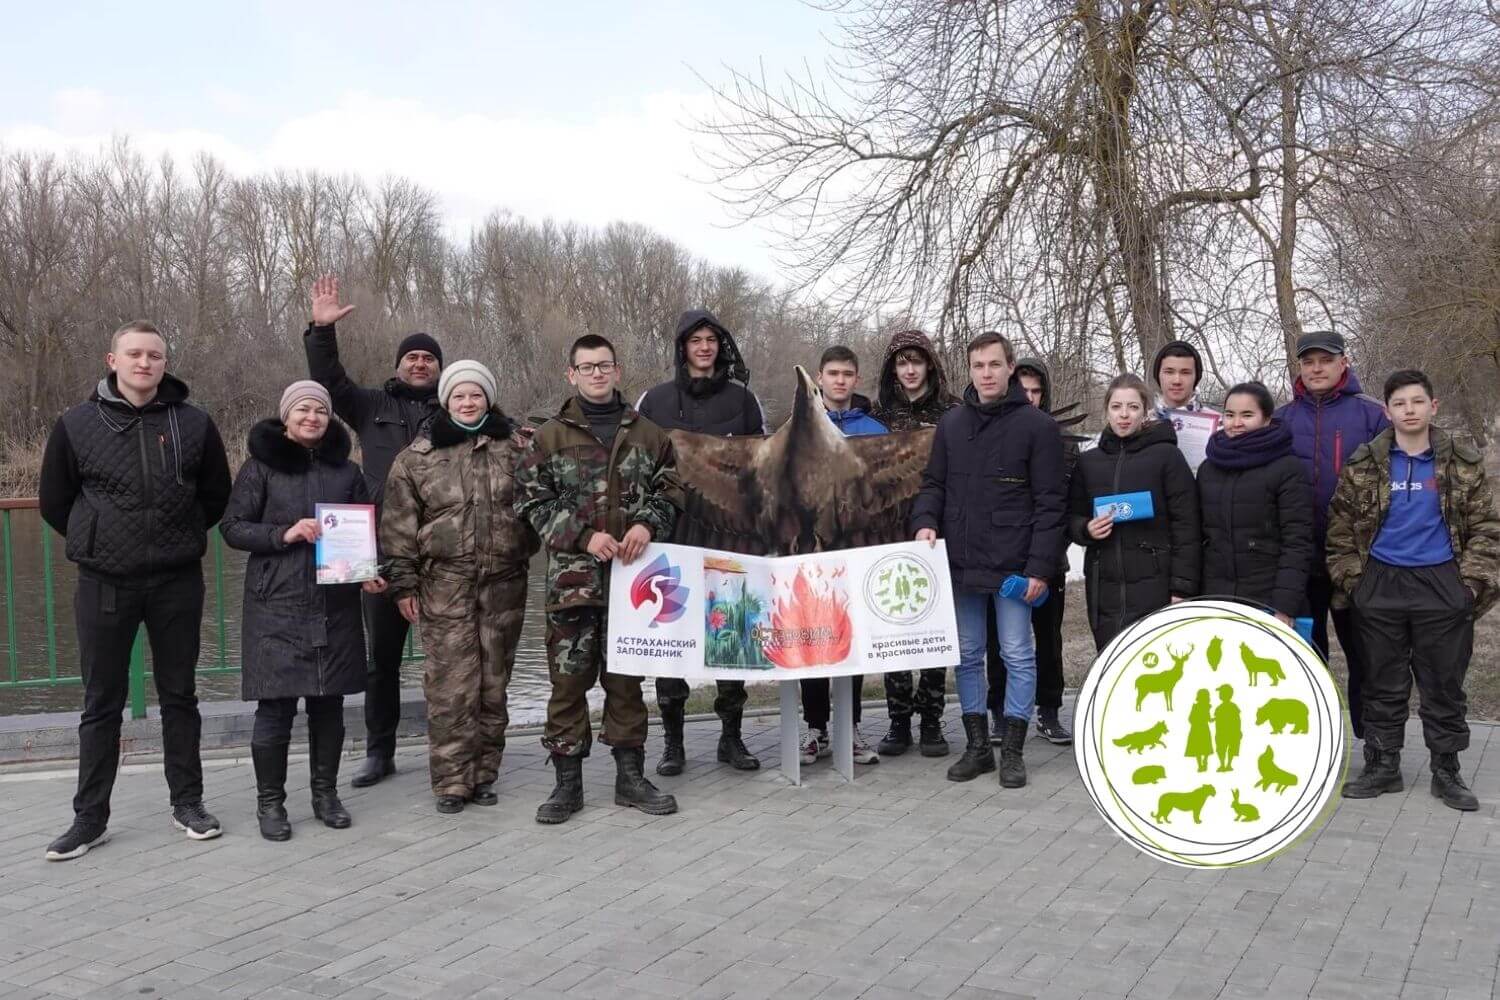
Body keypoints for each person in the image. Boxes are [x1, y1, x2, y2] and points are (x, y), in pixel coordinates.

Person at [38, 320, 233, 860]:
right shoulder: (77, 424)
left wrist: (183, 534)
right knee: (101, 702)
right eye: (134, 354)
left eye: (154, 355)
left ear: (165, 363)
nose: (144, 363)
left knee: (180, 696)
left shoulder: (193, 423)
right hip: (105, 581)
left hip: (175, 581)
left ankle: (188, 803)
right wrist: (97, 540)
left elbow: (215, 493)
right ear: (112, 360)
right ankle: (89, 818)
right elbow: (56, 500)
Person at [515, 335, 684, 824]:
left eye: (604, 365)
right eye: (586, 367)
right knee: (567, 686)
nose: (596, 374)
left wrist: (646, 523)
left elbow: (672, 490)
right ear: (571, 374)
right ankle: (567, 785)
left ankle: (630, 778)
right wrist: (582, 536)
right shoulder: (548, 437)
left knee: (627, 685)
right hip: (573, 585)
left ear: (617, 369)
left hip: (634, 588)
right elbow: (529, 501)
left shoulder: (649, 434)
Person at [1328, 370, 1500, 811]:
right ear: (1387, 411)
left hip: (1441, 581)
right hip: (1380, 580)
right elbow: (1340, 528)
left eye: (1417, 402)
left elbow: (1486, 528)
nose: (1409, 410)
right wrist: (1356, 583)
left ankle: (1447, 769)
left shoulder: (1461, 462)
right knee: (1382, 681)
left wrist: (1468, 587)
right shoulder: (1364, 462)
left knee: (1443, 682)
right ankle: (1383, 765)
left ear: (1433, 406)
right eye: (1400, 403)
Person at [220, 381, 384, 840]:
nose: (312, 417)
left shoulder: (346, 471)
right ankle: (270, 803)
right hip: (277, 604)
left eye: (320, 410)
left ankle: (325, 795)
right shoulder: (261, 468)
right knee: (274, 710)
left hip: (334, 603)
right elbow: (232, 528)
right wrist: (284, 534)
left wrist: (368, 568)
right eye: (303, 410)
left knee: (328, 706)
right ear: (286, 416)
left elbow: (362, 528)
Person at [303, 274, 442, 789]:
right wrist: (321, 331)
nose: (420, 363)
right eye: (412, 356)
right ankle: (379, 752)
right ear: (399, 364)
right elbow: (330, 382)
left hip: (441, 554)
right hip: (382, 554)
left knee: (452, 659)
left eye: (429, 357)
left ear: (440, 368)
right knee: (379, 663)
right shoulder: (370, 407)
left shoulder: (458, 411)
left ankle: (453, 750)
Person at [382, 361, 539, 814]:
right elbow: (398, 527)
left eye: (475, 395)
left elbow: (544, 504)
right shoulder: (417, 456)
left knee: (494, 684)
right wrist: (403, 584)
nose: (467, 403)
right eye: (458, 396)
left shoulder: (518, 448)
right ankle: (452, 780)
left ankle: (485, 773)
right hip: (444, 585)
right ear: (446, 401)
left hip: (505, 583)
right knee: (451, 686)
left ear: (487, 399)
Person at [911, 332, 1066, 788]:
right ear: (970, 369)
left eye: (994, 365)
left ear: (1010, 367)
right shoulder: (953, 424)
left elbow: (1051, 503)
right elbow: (933, 483)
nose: (986, 373)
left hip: (1015, 567)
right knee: (968, 654)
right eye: (978, 365)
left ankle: (1013, 751)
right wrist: (925, 521)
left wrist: (1040, 567)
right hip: (961, 564)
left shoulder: (1037, 427)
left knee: (1017, 653)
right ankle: (978, 748)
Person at [636, 309, 766, 776]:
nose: (705, 347)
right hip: (669, 535)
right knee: (670, 641)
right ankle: (673, 742)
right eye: (696, 340)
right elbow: (637, 468)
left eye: (712, 339)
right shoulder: (655, 400)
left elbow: (761, 470)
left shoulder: (743, 400)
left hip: (727, 535)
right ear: (683, 348)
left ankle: (732, 738)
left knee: (729, 635)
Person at [1274, 330, 1388, 746]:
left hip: (1356, 559)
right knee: (1304, 652)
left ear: (1344, 363)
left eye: (1325, 360)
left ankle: (1375, 744)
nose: (1317, 368)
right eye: (1309, 361)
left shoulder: (1371, 417)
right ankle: (1314, 741)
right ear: (1299, 368)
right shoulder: (1282, 419)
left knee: (1366, 653)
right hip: (1300, 559)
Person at [869, 329, 959, 758]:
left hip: (939, 532)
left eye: (916, 361)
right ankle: (898, 720)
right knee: (895, 628)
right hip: (888, 532)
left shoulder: (953, 413)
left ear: (929, 366)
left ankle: (932, 721)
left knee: (934, 629)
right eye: (901, 362)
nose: (909, 369)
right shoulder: (876, 417)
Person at [986, 357, 1081, 746]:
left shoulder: (1061, 444)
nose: (1029, 397)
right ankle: (999, 712)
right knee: (999, 641)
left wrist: (1048, 553)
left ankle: (1049, 710)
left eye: (1036, 391)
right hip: (1002, 557)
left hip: (1047, 559)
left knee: (1048, 638)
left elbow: (1065, 505)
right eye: (1022, 389)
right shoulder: (993, 438)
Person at [800, 346, 886, 767]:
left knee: (851, 642)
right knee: (813, 640)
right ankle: (815, 729)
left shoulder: (874, 429)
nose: (839, 380)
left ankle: (849, 728)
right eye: (832, 373)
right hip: (810, 552)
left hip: (856, 549)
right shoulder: (800, 428)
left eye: (847, 374)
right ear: (819, 376)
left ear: (856, 379)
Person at [1069, 374, 1201, 649]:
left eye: (1133, 407)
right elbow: (1072, 517)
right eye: (1116, 407)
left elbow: (1187, 525)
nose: (1124, 415)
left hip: (1156, 584)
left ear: (1145, 411)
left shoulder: (1166, 457)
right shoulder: (1088, 462)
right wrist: (1086, 529)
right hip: (1104, 587)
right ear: (1106, 411)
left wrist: (1182, 588)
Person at [1197, 382, 1314, 621]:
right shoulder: (1209, 468)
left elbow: (1297, 541)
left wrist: (1284, 606)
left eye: (1247, 415)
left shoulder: (1287, 468)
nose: (1236, 423)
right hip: (1217, 597)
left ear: (1267, 418)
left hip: (1268, 598)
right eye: (1230, 415)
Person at [1213, 685, 1241, 772]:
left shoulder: (1231, 707)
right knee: (1221, 748)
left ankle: (1227, 764)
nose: (1220, 695)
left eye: (1221, 693)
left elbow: (1237, 720)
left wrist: (1239, 731)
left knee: (1229, 748)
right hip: (1221, 732)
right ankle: (1223, 764)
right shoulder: (1220, 708)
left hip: (1229, 732)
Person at [1186, 689, 1214, 772]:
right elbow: (1190, 718)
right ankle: (1200, 765)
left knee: (1204, 747)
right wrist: (1198, 721)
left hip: (1202, 728)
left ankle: (1204, 762)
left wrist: (1215, 719)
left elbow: (1209, 719)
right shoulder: (1196, 707)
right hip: (1198, 728)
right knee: (1198, 748)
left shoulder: (1206, 707)